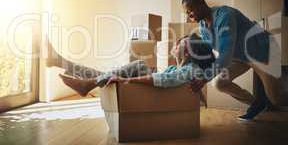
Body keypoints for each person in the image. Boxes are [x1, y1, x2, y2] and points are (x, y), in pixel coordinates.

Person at [182, 0, 288, 121]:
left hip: (262, 51)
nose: (189, 16)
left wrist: (204, 79)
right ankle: (257, 103)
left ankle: (273, 94)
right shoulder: (203, 27)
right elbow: (210, 55)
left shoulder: (225, 16)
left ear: (200, 4)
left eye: (190, 11)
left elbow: (225, 54)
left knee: (277, 98)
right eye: (187, 13)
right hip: (240, 56)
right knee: (219, 83)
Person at [46, 34, 215, 105]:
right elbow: (175, 79)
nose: (175, 45)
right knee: (103, 75)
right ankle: (64, 64)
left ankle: (68, 68)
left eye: (179, 43)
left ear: (187, 51)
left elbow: (166, 81)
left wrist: (127, 79)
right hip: (152, 89)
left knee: (138, 65)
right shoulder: (179, 67)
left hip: (152, 94)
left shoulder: (191, 69)